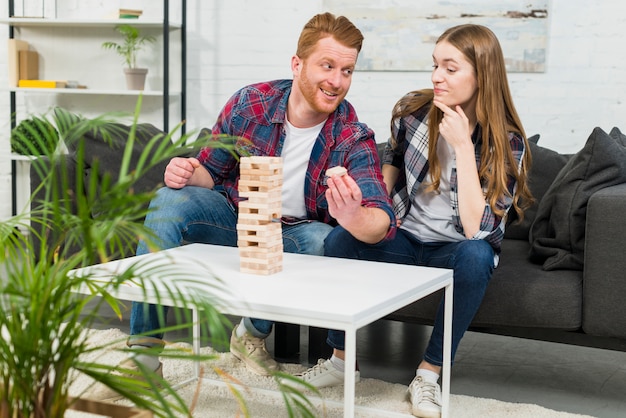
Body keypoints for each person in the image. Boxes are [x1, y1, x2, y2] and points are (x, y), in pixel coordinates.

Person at [87, 12, 395, 401]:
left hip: (294, 233)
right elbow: (211, 173)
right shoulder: (251, 103)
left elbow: (380, 222)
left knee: (323, 240)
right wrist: (186, 171)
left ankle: (250, 332)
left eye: (347, 71)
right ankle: (144, 359)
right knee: (168, 200)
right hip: (234, 216)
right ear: (297, 64)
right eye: (328, 65)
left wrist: (354, 215)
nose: (337, 81)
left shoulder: (352, 136)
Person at [297, 24, 533, 418]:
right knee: (339, 240)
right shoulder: (413, 114)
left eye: (450, 68)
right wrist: (361, 204)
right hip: (405, 239)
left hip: (455, 249)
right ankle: (340, 360)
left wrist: (460, 145)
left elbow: (479, 228)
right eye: (435, 65)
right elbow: (389, 171)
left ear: (482, 75)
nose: (436, 76)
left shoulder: (505, 142)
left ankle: (429, 374)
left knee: (477, 256)